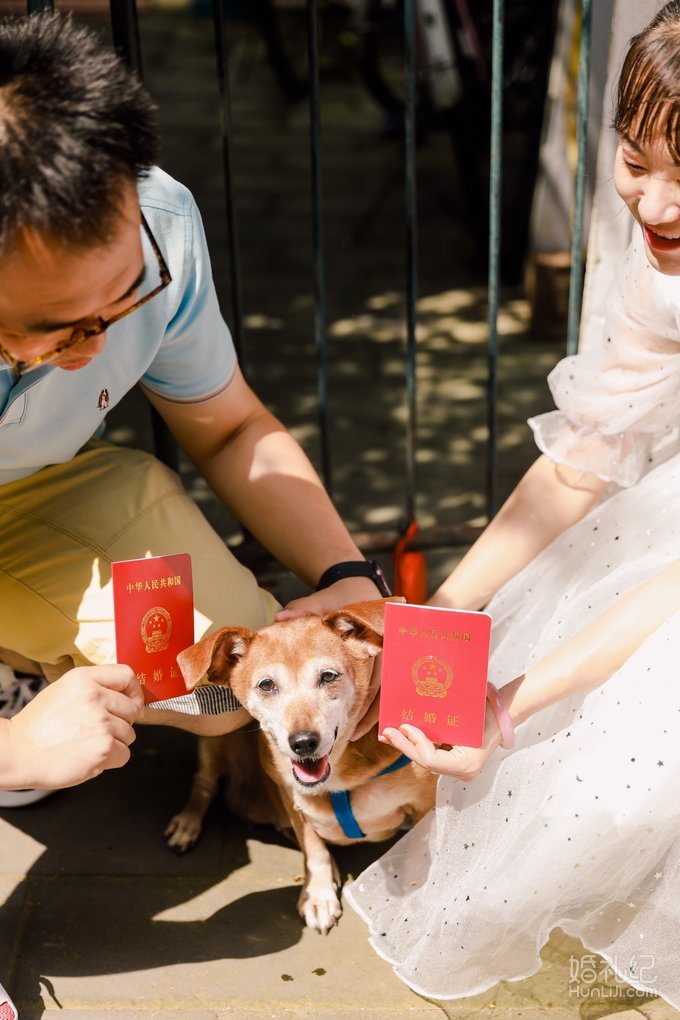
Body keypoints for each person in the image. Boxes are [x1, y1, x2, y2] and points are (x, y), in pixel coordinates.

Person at [346, 1, 680, 1009]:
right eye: (631, 162)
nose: (653, 206)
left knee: (623, 753)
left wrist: (508, 701)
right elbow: (583, 461)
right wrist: (433, 618)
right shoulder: (659, 267)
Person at [0, 13, 388, 803]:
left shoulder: (164, 223)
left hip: (41, 490)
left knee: (216, 693)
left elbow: (232, 425)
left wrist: (348, 575)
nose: (97, 349)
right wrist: (10, 754)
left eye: (120, 301)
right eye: (57, 331)